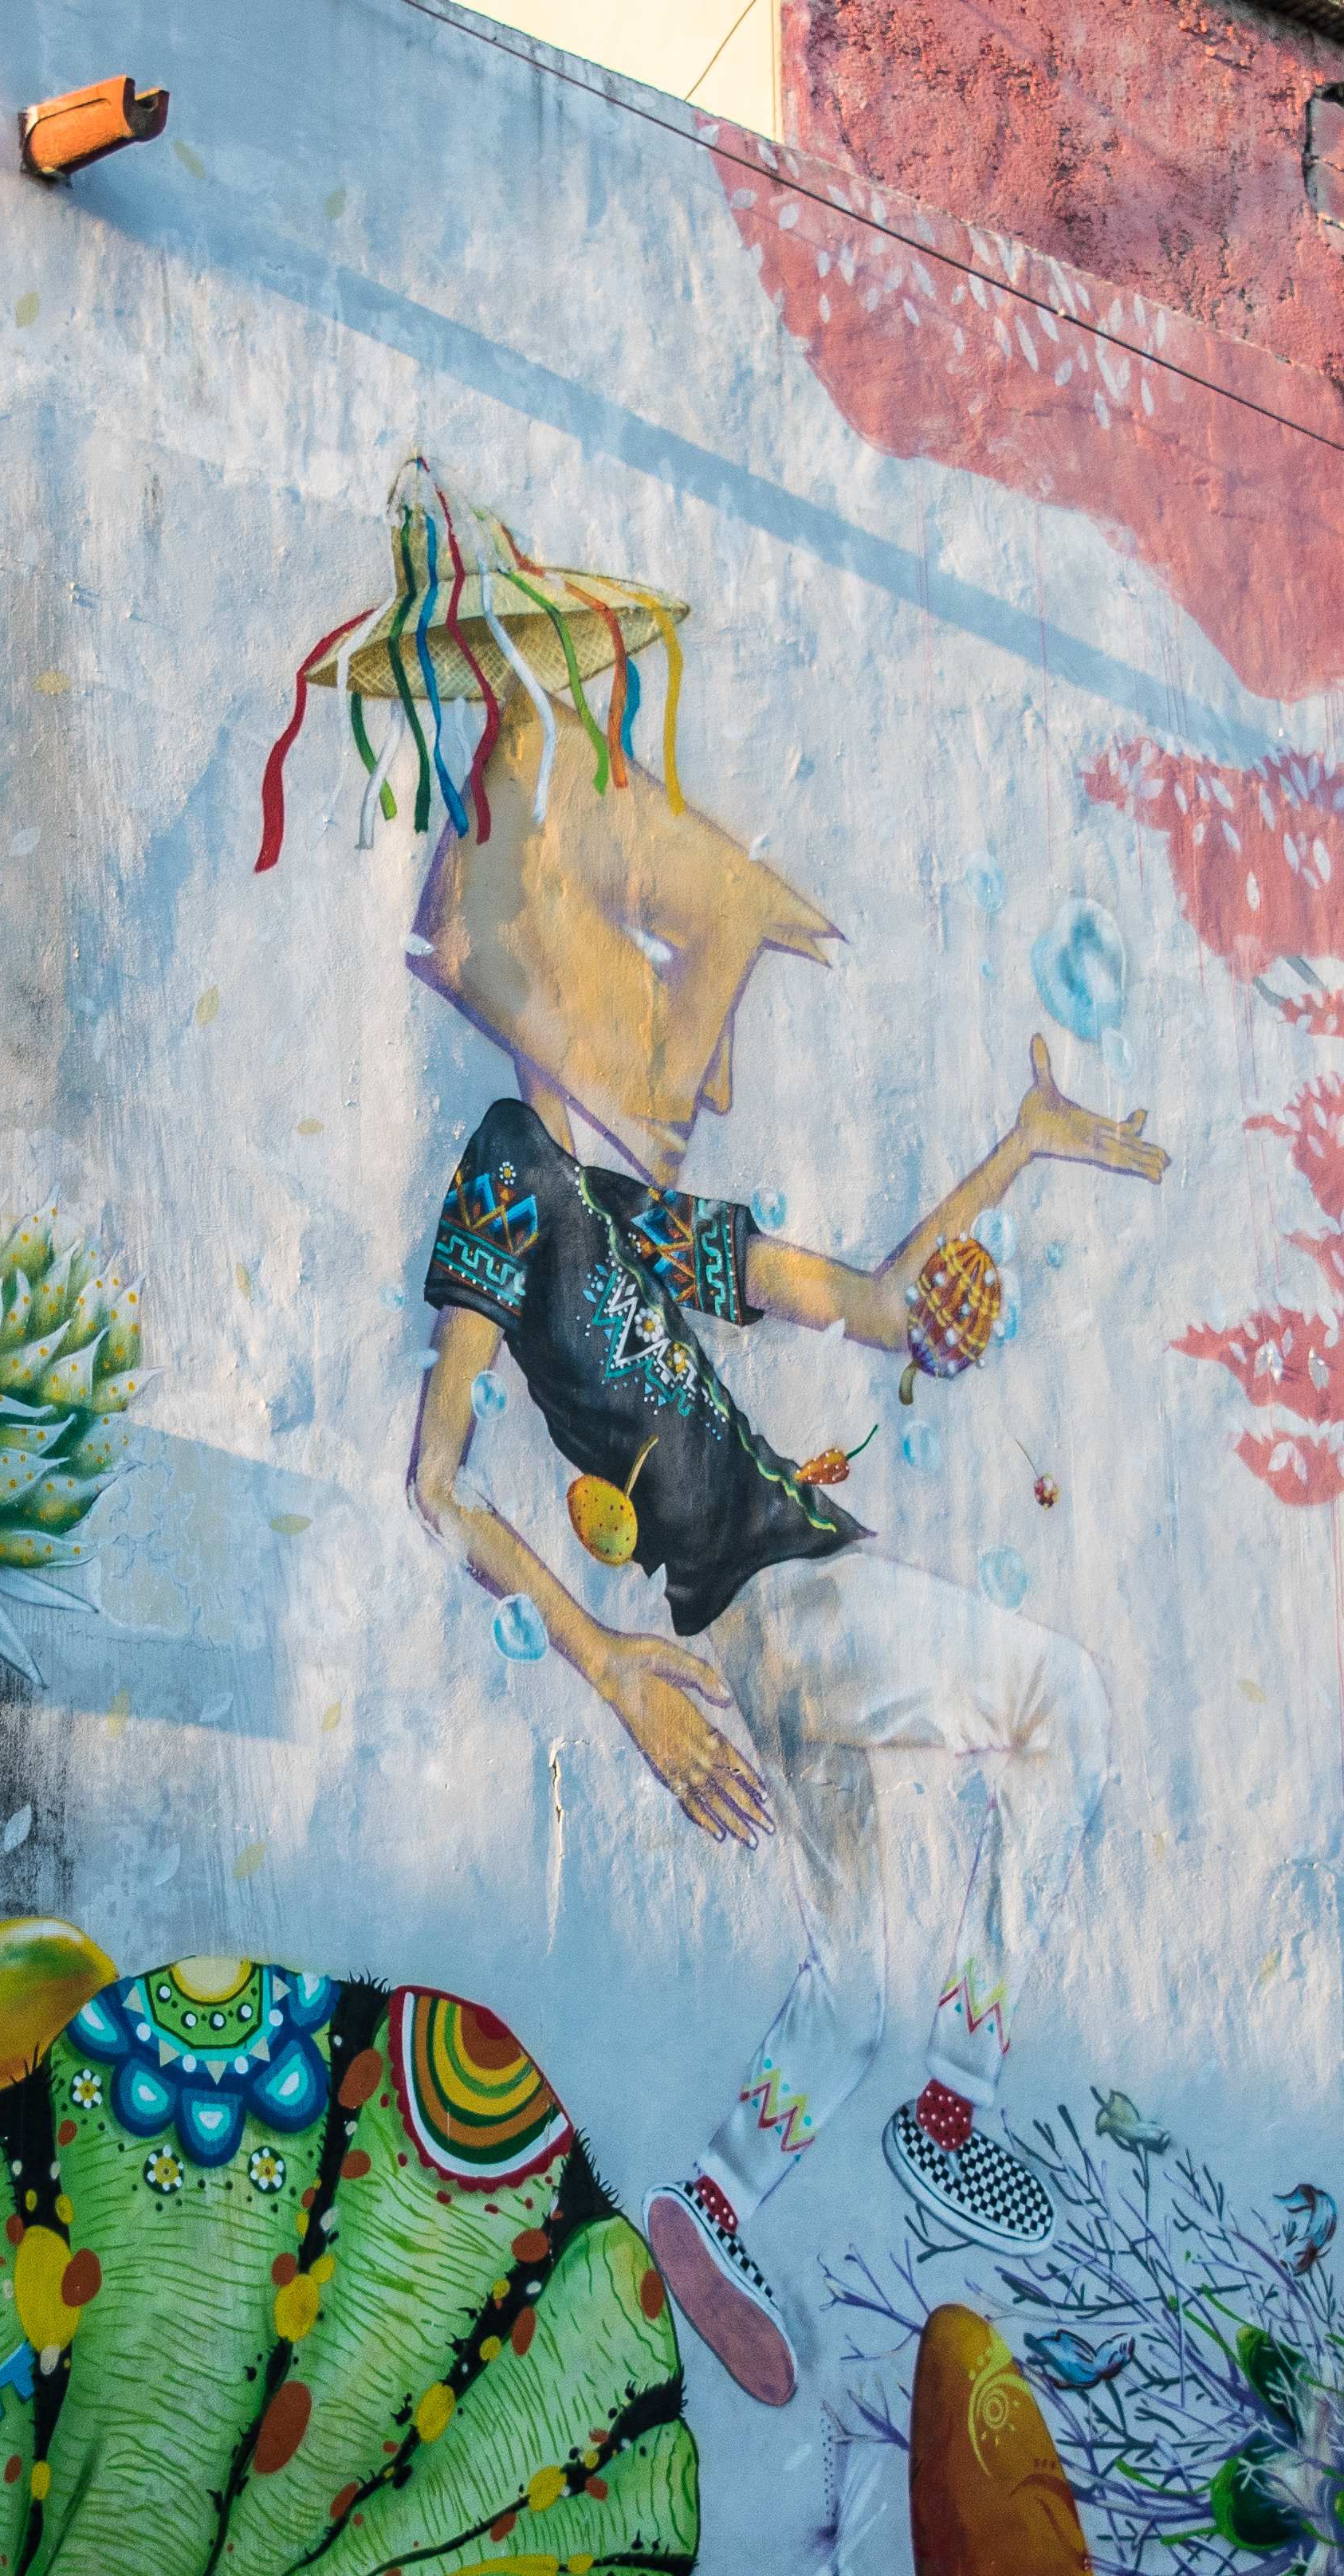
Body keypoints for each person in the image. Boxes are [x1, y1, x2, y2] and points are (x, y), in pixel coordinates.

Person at [397, 756, 1169, 2407]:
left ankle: (714, 2198)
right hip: (777, 1602)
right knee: (1063, 1699)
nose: (690, 1044)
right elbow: (433, 1477)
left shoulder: (638, 1219)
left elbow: (878, 1304)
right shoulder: (509, 1169)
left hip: (768, 1643)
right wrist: (606, 1665)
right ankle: (962, 2091)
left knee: (854, 1979)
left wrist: (1017, 1156)